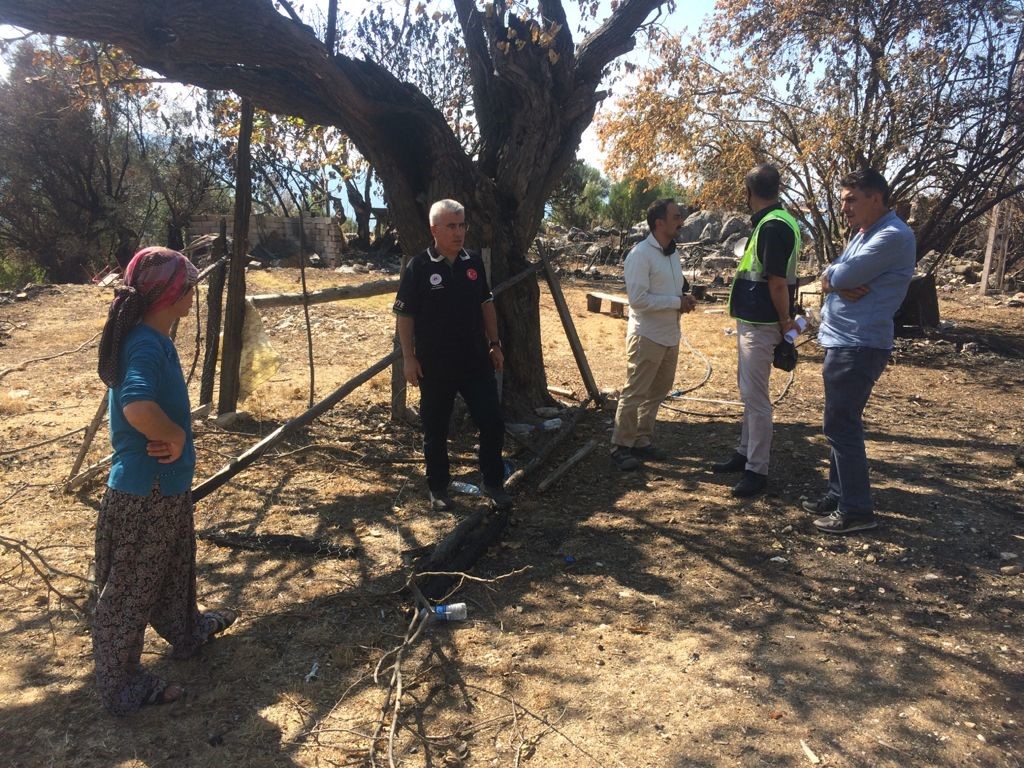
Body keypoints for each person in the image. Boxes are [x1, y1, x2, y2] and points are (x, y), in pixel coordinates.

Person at [94, 246, 236, 715]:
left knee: (176, 569)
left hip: (164, 489)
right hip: (146, 491)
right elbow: (136, 404)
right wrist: (173, 434)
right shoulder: (145, 343)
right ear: (172, 294)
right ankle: (122, 684)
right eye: (189, 287)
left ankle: (187, 631)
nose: (193, 294)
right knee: (130, 591)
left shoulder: (153, 338)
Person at [803, 168, 915, 533]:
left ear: (876, 199)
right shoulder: (865, 233)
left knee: (841, 424)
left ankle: (856, 511)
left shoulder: (892, 236)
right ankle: (839, 494)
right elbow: (834, 273)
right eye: (842, 201)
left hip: (858, 343)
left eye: (851, 200)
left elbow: (842, 277)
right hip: (845, 341)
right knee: (838, 424)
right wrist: (834, 279)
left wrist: (835, 280)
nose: (844, 208)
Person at [393, 199, 512, 510]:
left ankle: (493, 482)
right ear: (435, 230)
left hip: (475, 360)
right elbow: (405, 317)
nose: (459, 232)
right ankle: (438, 487)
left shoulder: (473, 262)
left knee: (492, 422)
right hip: (435, 364)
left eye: (462, 225)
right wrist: (408, 357)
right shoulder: (419, 267)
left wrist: (495, 344)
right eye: (451, 226)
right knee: (435, 428)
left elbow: (486, 305)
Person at [712, 164, 802, 497]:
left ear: (749, 193)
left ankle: (756, 470)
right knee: (749, 392)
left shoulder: (771, 226)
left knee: (757, 398)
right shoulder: (778, 221)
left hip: (763, 325)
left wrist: (784, 325)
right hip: (757, 322)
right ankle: (745, 452)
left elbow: (777, 282)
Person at [610, 198, 698, 470]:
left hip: (670, 335)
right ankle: (620, 446)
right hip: (647, 335)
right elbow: (637, 300)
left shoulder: (672, 253)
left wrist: (683, 298)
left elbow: (668, 290)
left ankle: (641, 440)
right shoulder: (639, 255)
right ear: (659, 223)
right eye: (676, 217)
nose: (681, 220)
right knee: (635, 391)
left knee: (658, 391)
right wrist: (676, 303)